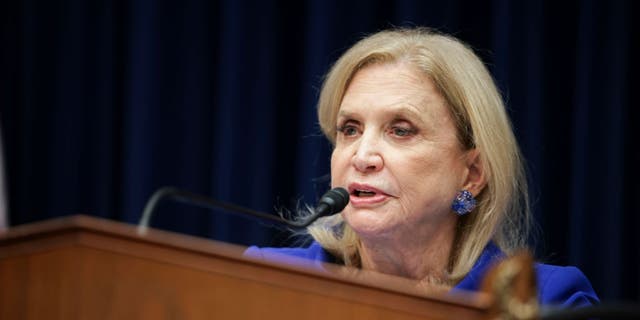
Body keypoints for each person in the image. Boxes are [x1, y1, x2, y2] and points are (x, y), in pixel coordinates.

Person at [245, 27, 598, 307]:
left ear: (472, 174)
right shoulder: (261, 278)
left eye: (400, 130)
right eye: (350, 129)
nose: (362, 156)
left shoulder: (545, 300)